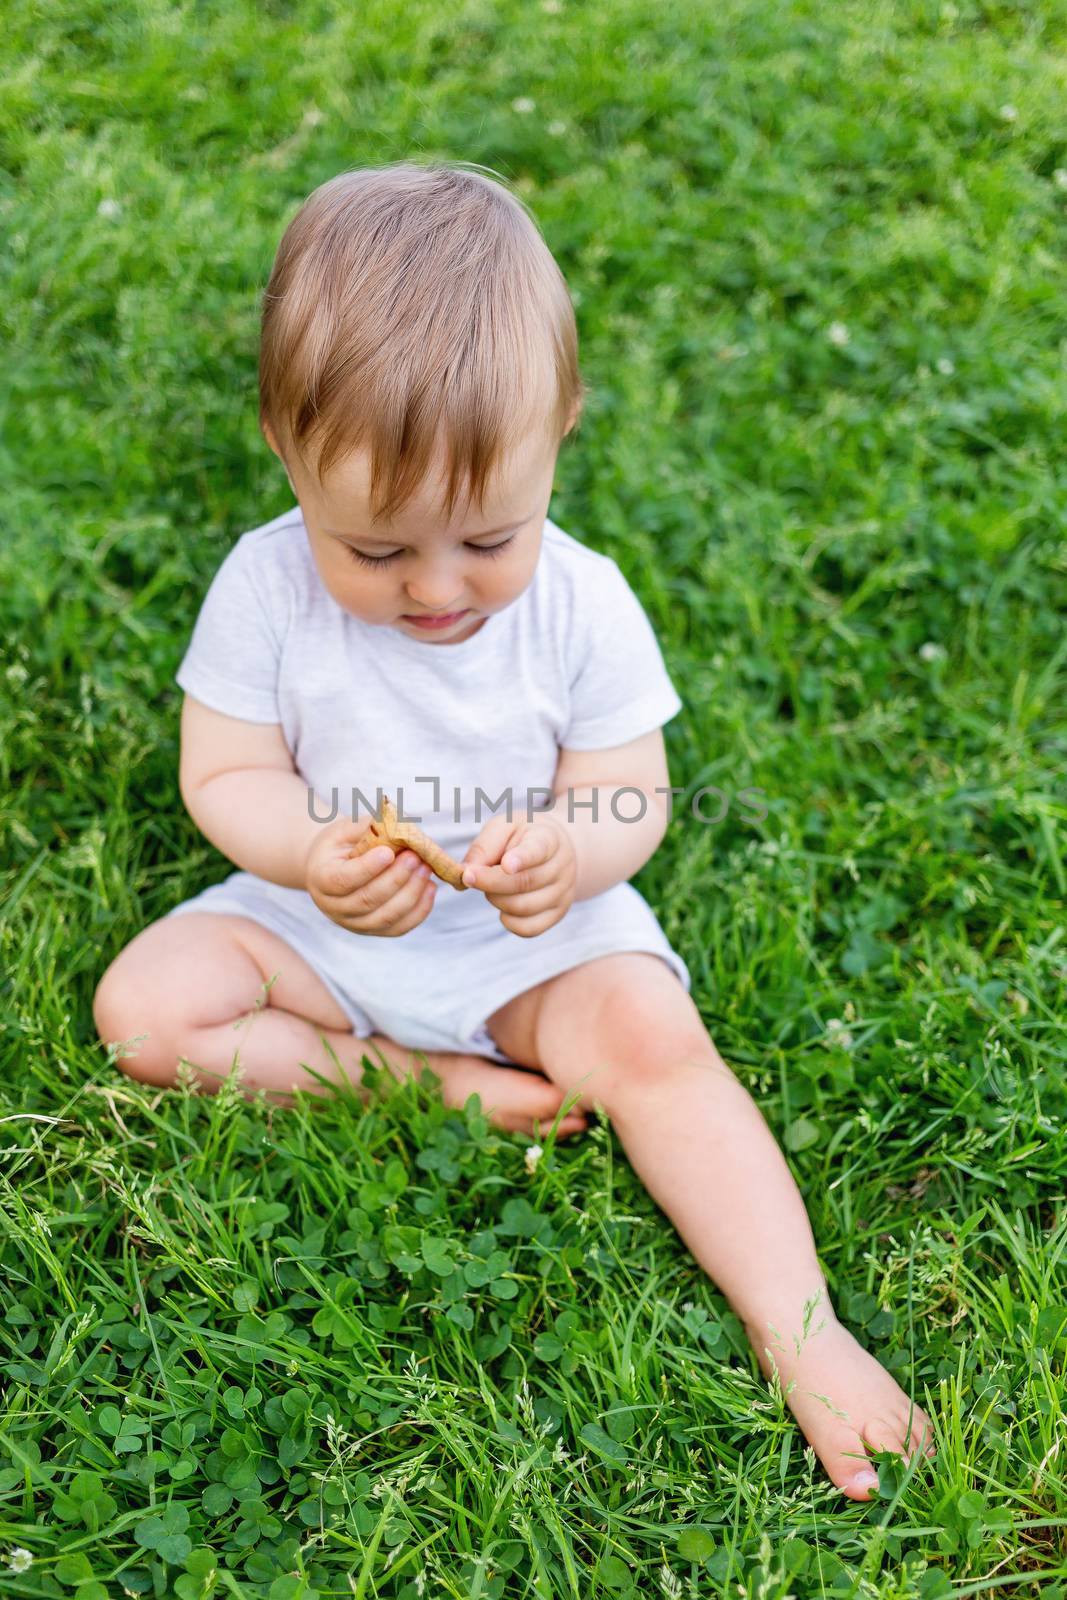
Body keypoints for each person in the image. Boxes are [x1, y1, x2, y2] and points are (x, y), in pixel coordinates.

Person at [92, 160, 934, 1500]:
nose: (435, 589)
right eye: (373, 551)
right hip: (328, 918)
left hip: (536, 936)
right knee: (146, 1008)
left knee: (657, 1050)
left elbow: (629, 789)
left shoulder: (583, 605)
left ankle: (806, 1331)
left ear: (563, 433)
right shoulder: (261, 588)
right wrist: (307, 852)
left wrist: (572, 850)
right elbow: (227, 771)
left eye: (489, 535)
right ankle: (416, 1081)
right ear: (283, 447)